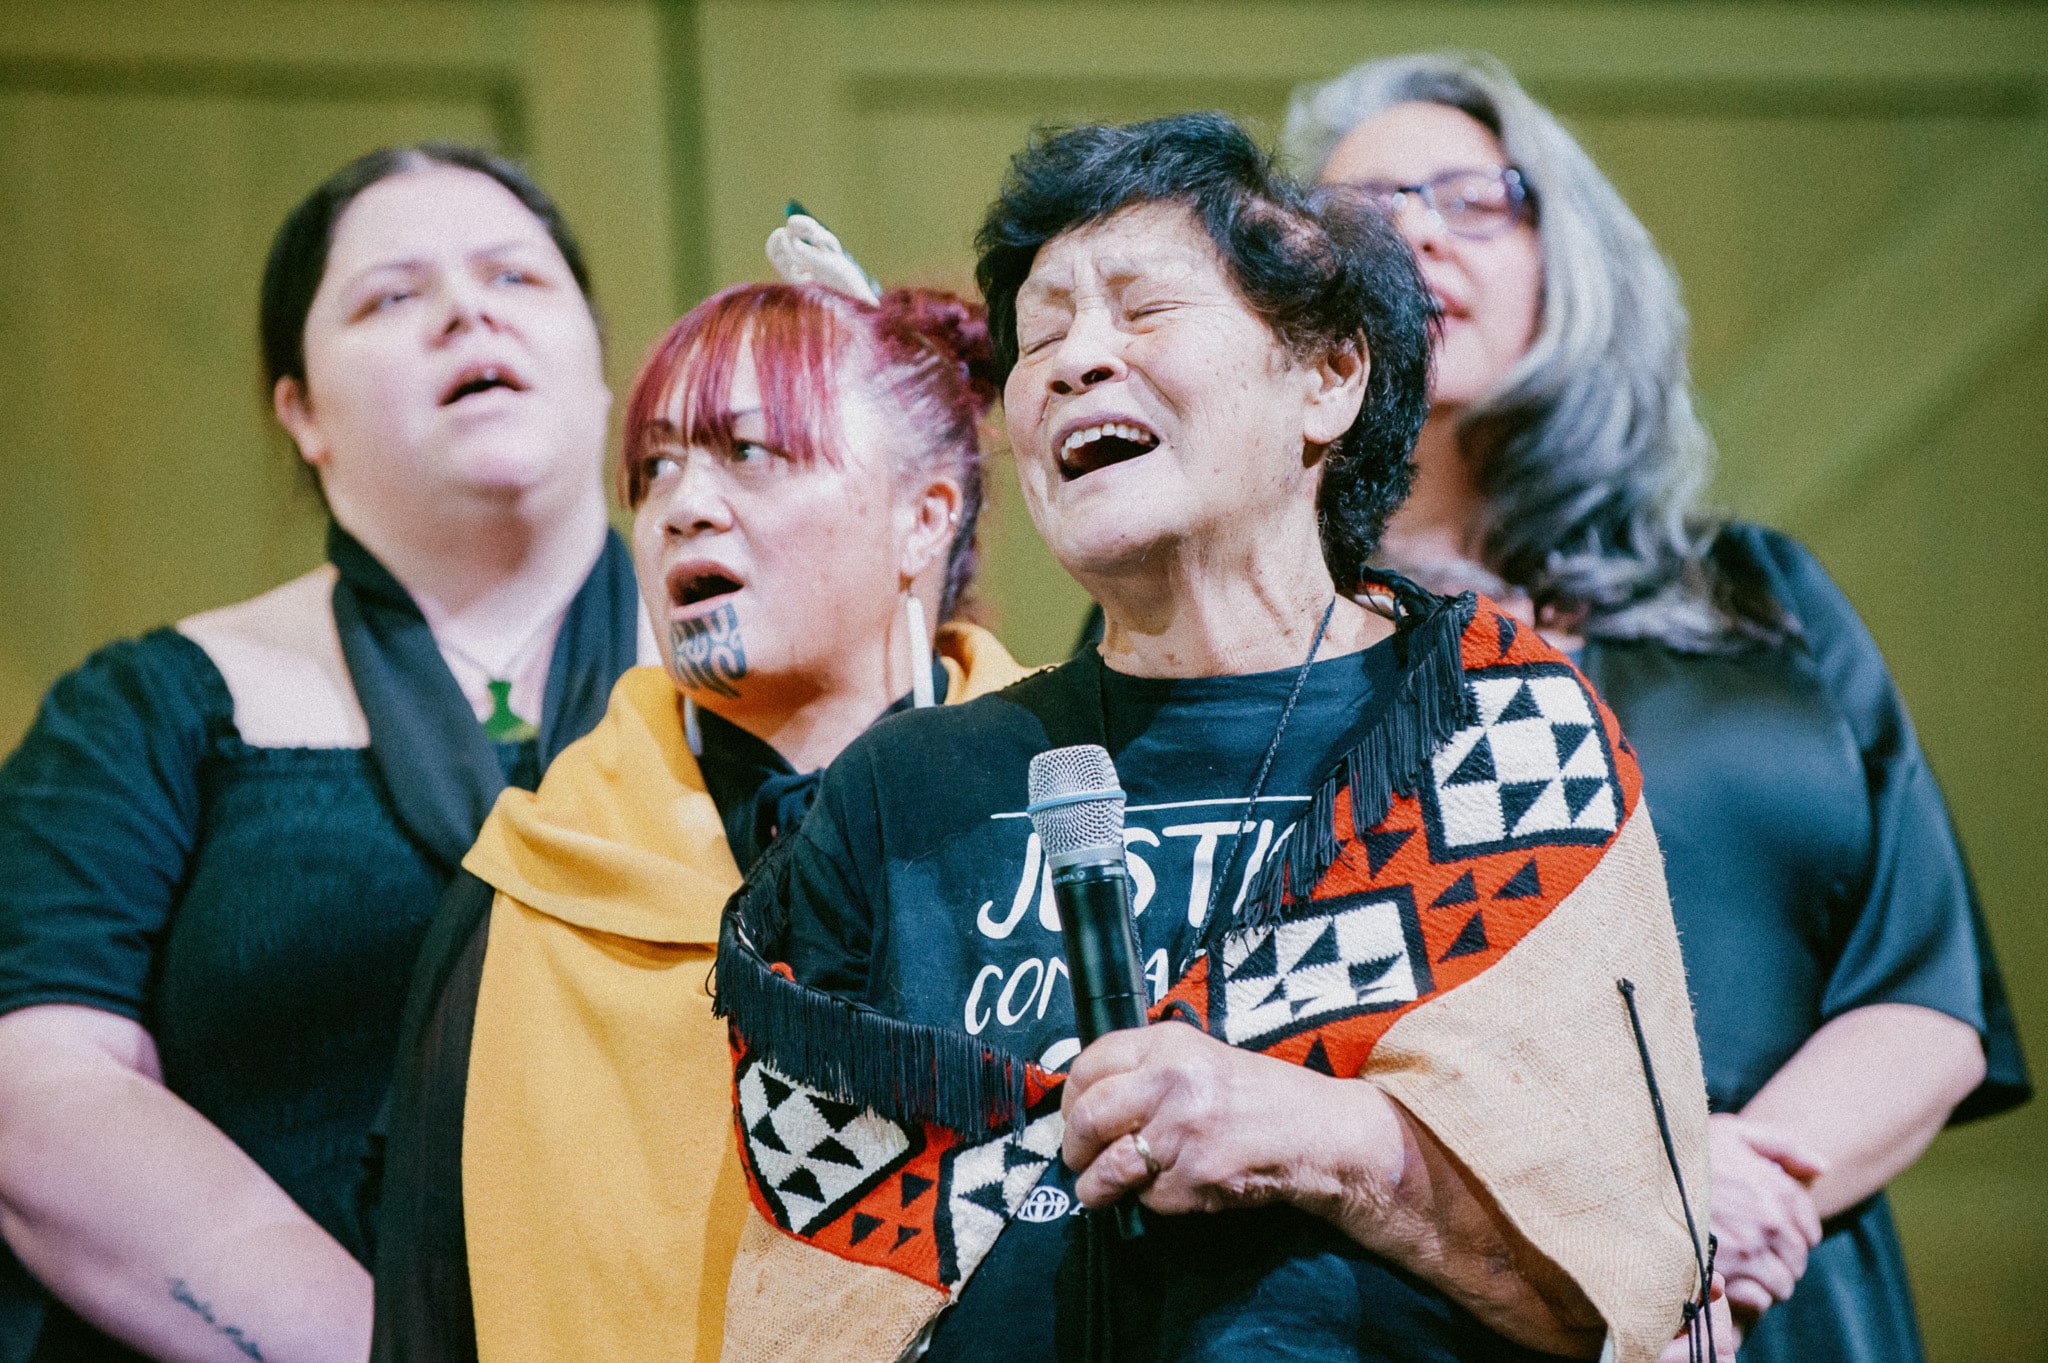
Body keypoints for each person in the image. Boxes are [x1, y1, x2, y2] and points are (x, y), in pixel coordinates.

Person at [713, 112, 1718, 1363]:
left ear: (1327, 378)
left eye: (1142, 310)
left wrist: (1327, 1141)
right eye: (1040, 335)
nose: (1076, 361)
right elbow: (811, 1297)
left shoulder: (1499, 742)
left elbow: (1631, 1285)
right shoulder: (902, 793)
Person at [1283, 50, 2031, 1362]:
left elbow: (1929, 991)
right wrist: (1639, 1199)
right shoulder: (1248, 632)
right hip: (1440, 1296)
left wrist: (1727, 1201)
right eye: (1360, 215)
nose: (1415, 234)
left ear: (1565, 258)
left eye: (1470, 198)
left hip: (1778, 1272)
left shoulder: (1762, 595)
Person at [0, 144, 648, 1362]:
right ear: (300, 410)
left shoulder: (783, 682)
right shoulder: (147, 708)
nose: (467, 311)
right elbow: (38, 1093)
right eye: (391, 296)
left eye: (515, 276)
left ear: (599, 358)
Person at [368, 259, 1031, 1362]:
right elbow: (426, 1313)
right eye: (654, 468)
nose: (682, 507)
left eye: (750, 452)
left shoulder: (1076, 821)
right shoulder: (542, 873)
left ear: (924, 518)